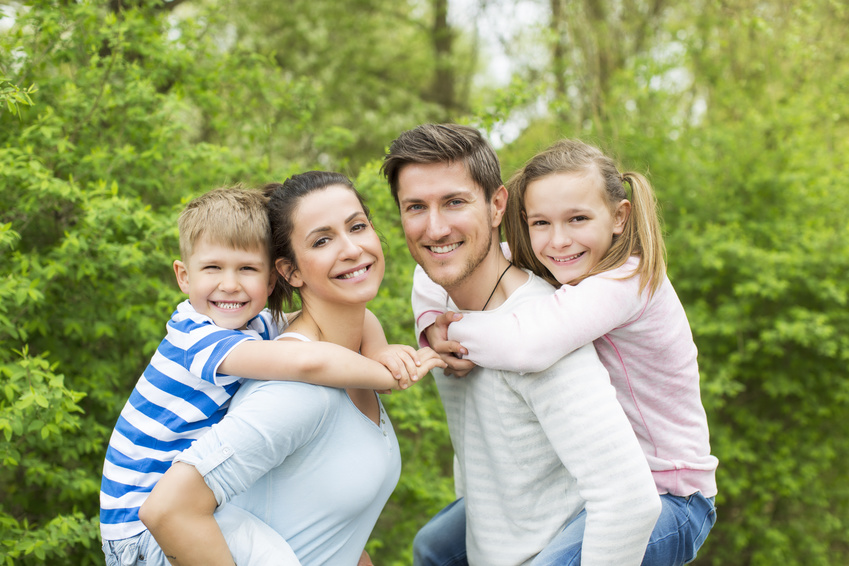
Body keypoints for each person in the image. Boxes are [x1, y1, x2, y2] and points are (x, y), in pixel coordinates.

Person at [414, 138, 718, 565]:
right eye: (541, 223)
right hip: (589, 483)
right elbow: (444, 264)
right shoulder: (571, 263)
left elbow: (529, 344)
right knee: (435, 549)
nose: (558, 240)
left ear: (619, 216)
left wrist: (452, 333)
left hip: (671, 497)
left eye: (577, 219)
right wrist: (429, 321)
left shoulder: (625, 281)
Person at [101, 185, 430, 566]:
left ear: (270, 281)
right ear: (183, 275)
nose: (230, 284)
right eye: (212, 268)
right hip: (138, 529)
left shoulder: (248, 326)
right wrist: (385, 373)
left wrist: (378, 348)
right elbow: (307, 362)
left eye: (247, 269)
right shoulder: (202, 340)